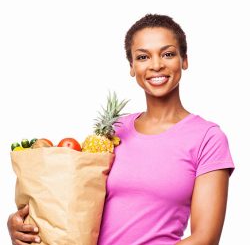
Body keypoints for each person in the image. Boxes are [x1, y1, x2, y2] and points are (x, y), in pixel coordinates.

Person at [7, 14, 235, 245]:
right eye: (143, 57)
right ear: (132, 66)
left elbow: (205, 239)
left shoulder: (208, 138)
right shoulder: (114, 132)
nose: (156, 65)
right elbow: (73, 199)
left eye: (167, 54)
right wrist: (23, 224)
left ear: (184, 60)